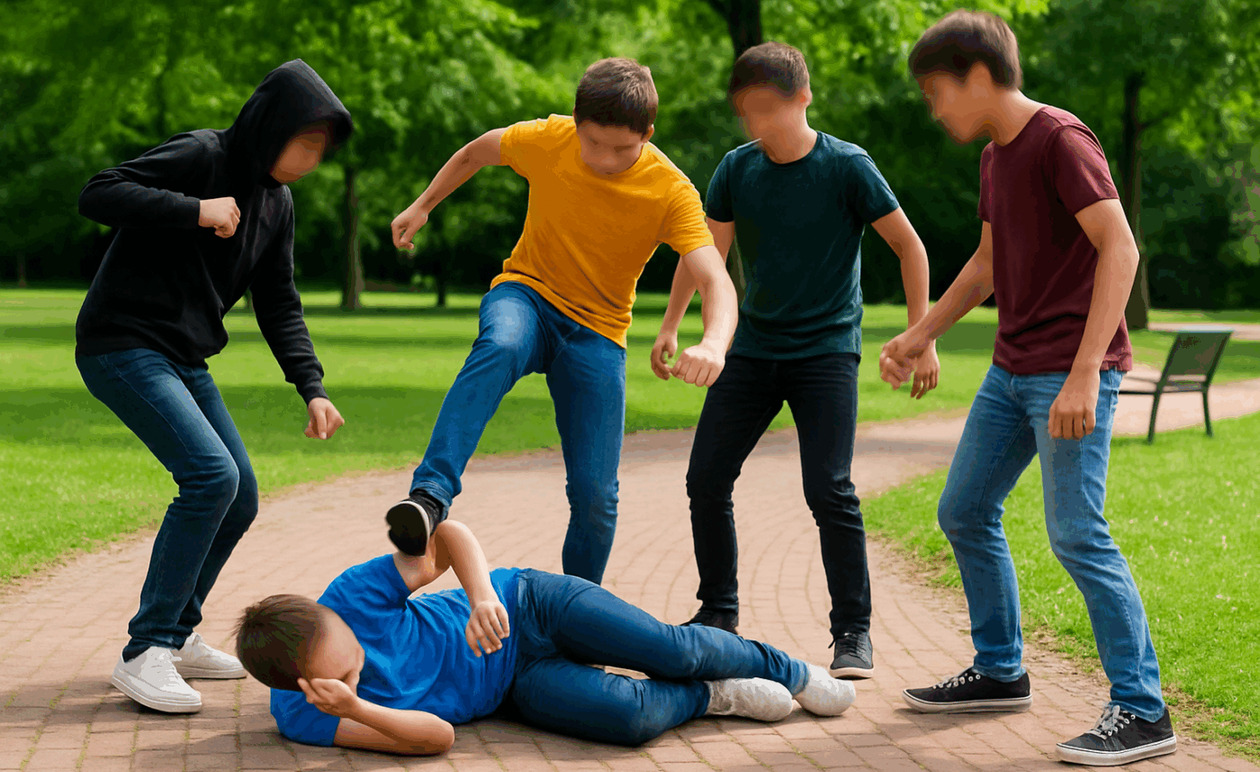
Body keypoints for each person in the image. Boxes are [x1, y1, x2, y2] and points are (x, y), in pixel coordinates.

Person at [881, 11, 1175, 766]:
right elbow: (985, 265)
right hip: (1012, 370)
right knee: (965, 509)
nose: (934, 108)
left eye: (936, 92)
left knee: (1078, 534)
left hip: (1070, 372)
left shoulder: (1060, 140)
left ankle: (1143, 710)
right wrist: (922, 334)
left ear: (978, 78)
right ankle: (1001, 670)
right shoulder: (995, 158)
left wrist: (1084, 372)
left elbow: (1121, 247)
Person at [385, 58, 738, 583]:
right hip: (525, 297)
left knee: (597, 496)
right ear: (575, 121)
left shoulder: (670, 190)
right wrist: (423, 205)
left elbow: (715, 278)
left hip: (597, 333)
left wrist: (713, 342)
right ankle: (430, 497)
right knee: (501, 346)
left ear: (648, 133)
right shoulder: (549, 138)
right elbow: (477, 151)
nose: (605, 159)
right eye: (593, 143)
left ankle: (576, 609)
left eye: (624, 148)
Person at [654, 42, 939, 680]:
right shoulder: (736, 169)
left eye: (768, 109)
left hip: (826, 352)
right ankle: (719, 613)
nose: (757, 124)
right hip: (752, 350)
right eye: (747, 112)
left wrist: (923, 337)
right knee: (706, 479)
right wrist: (673, 325)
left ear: (802, 98)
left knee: (828, 488)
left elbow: (909, 248)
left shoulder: (848, 168)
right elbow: (706, 257)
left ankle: (853, 634)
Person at [75, 60, 353, 714]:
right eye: (305, 142)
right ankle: (145, 651)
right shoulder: (204, 155)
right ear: (272, 125)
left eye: (322, 150)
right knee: (209, 476)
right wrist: (194, 210)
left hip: (184, 358)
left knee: (241, 494)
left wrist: (310, 386)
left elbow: (279, 303)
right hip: (122, 341)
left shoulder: (277, 204)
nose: (312, 159)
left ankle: (178, 632)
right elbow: (98, 192)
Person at [235, 520, 856, 753]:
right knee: (628, 718)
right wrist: (360, 706)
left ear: (331, 616)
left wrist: (481, 597)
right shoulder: (307, 716)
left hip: (528, 604)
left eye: (343, 645)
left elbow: (450, 535)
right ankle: (717, 698)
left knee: (672, 648)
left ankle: (790, 671)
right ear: (303, 686)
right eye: (335, 673)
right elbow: (437, 740)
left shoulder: (349, 595)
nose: (353, 662)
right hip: (513, 685)